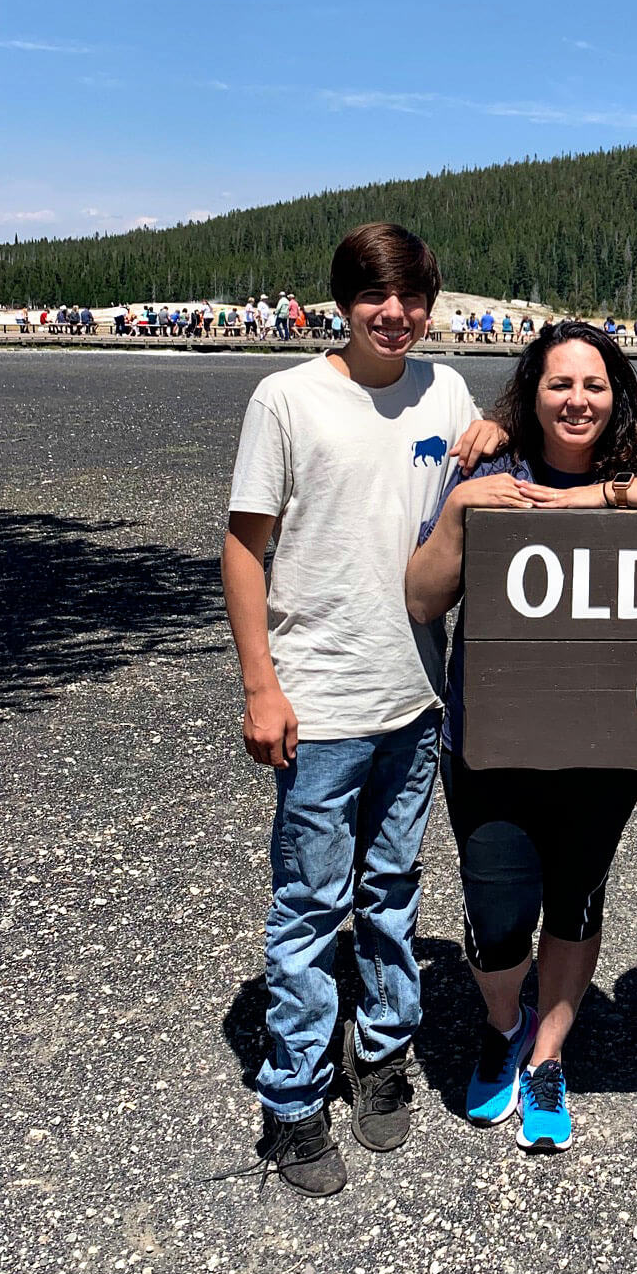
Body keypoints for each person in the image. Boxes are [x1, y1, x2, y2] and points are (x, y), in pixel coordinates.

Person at [405, 323, 637, 1152]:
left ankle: (549, 1054)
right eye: (559, 385)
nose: (577, 401)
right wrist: (457, 513)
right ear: (531, 393)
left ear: (616, 394)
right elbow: (422, 599)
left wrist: (605, 497)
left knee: (576, 899)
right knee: (495, 917)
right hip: (494, 738)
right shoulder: (494, 470)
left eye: (594, 385)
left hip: (604, 743)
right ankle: (501, 1024)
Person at [221, 224, 501, 1196]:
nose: (397, 315)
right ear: (342, 302)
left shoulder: (447, 391)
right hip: (320, 702)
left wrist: (496, 430)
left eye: (414, 298)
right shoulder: (288, 399)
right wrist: (261, 685)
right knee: (307, 906)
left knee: (389, 893)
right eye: (378, 297)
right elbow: (243, 547)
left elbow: (472, 488)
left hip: (414, 699)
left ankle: (381, 1055)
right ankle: (292, 1102)